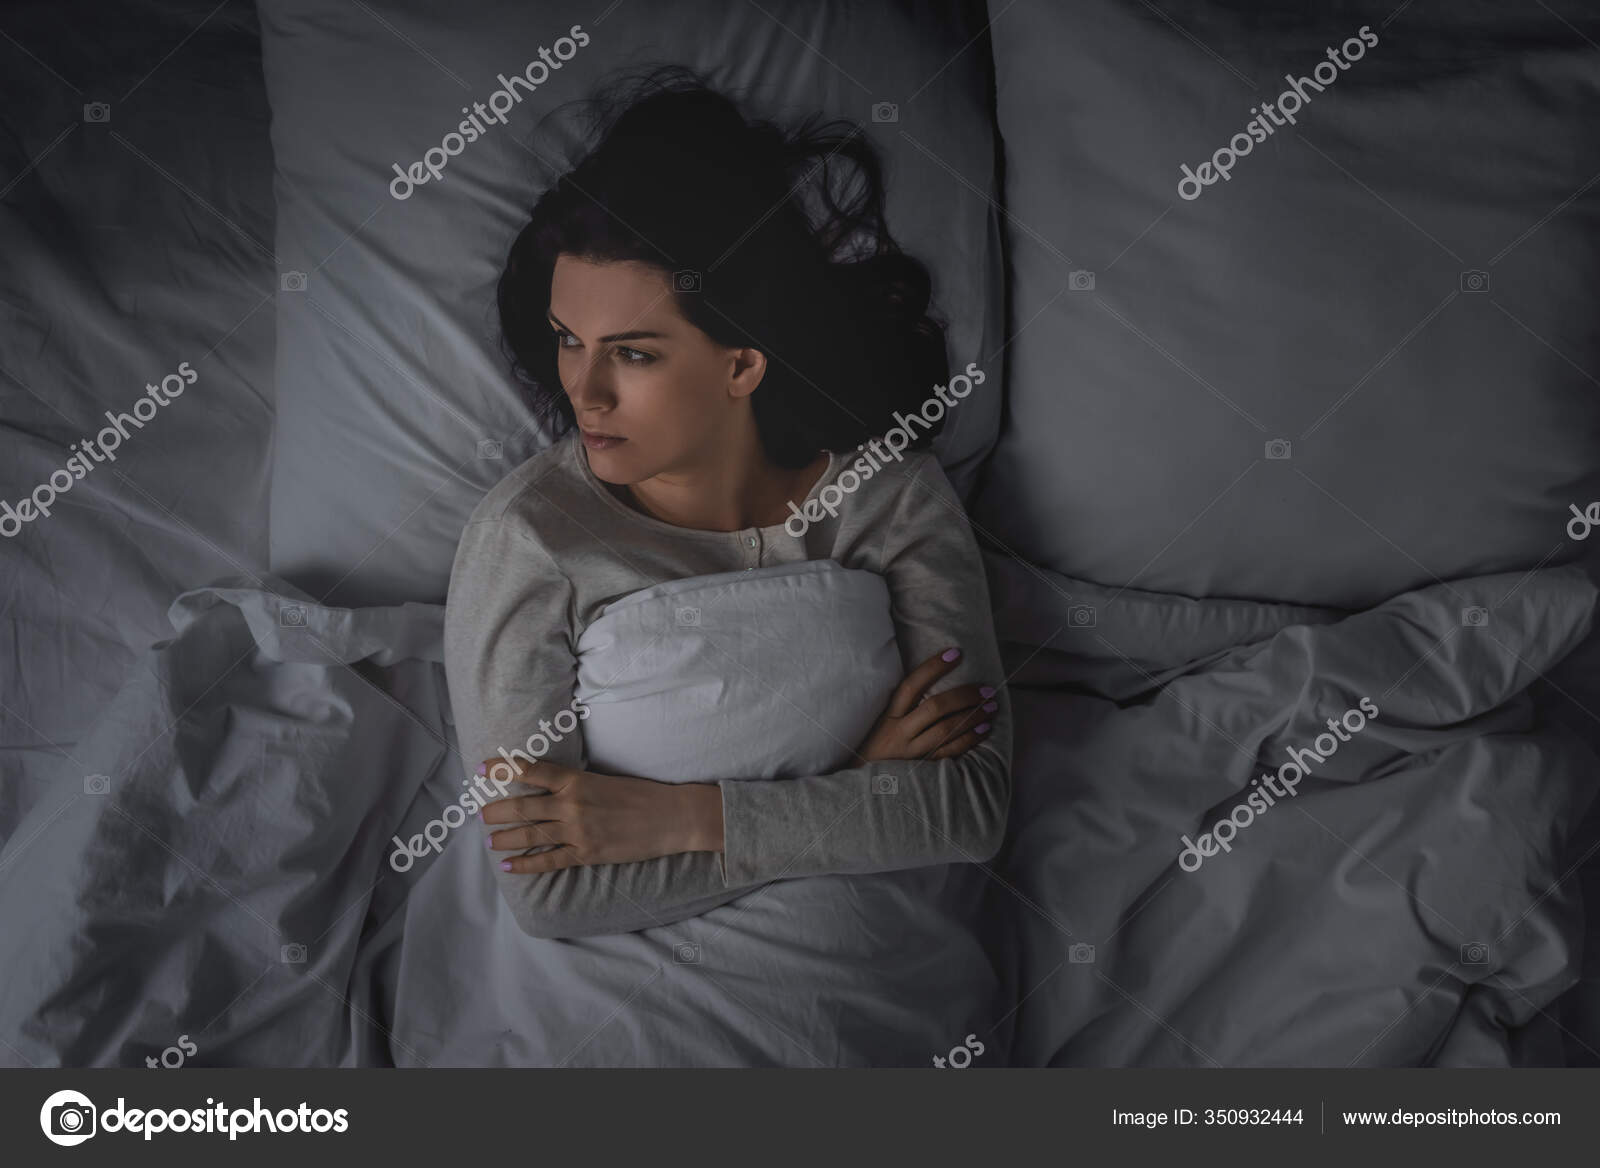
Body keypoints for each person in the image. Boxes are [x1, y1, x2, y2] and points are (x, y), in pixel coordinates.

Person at [443, 69, 1011, 939]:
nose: (583, 393)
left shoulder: (888, 495)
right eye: (568, 341)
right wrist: (859, 784)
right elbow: (548, 894)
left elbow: (969, 808)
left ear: (741, 365)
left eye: (631, 355)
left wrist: (691, 819)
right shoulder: (527, 539)